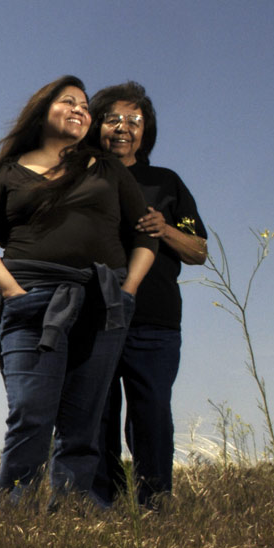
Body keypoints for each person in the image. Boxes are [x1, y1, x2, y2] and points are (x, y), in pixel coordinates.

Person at [0, 76, 157, 508]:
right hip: (33, 301)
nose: (80, 109)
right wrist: (14, 293)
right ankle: (15, 517)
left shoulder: (106, 168)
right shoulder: (7, 172)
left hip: (103, 301)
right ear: (41, 110)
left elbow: (146, 235)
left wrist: (126, 291)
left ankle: (73, 519)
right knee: (30, 413)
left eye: (85, 105)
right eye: (68, 101)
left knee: (83, 421)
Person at [87, 82, 208, 508]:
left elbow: (199, 251)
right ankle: (100, 505)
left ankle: (154, 505)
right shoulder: (78, 175)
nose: (124, 128)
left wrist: (166, 228)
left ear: (146, 132)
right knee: (95, 413)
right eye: (114, 119)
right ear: (95, 124)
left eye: (135, 122)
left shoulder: (166, 182)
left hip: (154, 320)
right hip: (90, 317)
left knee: (151, 413)